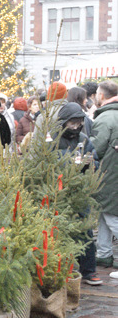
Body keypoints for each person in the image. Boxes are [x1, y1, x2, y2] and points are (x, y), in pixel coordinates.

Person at [53, 102, 102, 286]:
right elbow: (49, 161)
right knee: (59, 229)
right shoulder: (52, 139)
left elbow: (95, 159)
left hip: (79, 190)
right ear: (64, 122)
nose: (75, 127)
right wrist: (70, 162)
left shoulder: (83, 139)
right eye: (72, 123)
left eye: (78, 123)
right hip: (59, 191)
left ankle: (89, 271)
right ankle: (61, 269)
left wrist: (90, 163)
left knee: (85, 229)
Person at [90, 80, 118, 269]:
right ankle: (104, 252)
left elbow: (95, 149)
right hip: (113, 172)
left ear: (101, 96)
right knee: (104, 213)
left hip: (108, 174)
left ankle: (104, 252)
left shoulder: (105, 118)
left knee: (110, 215)